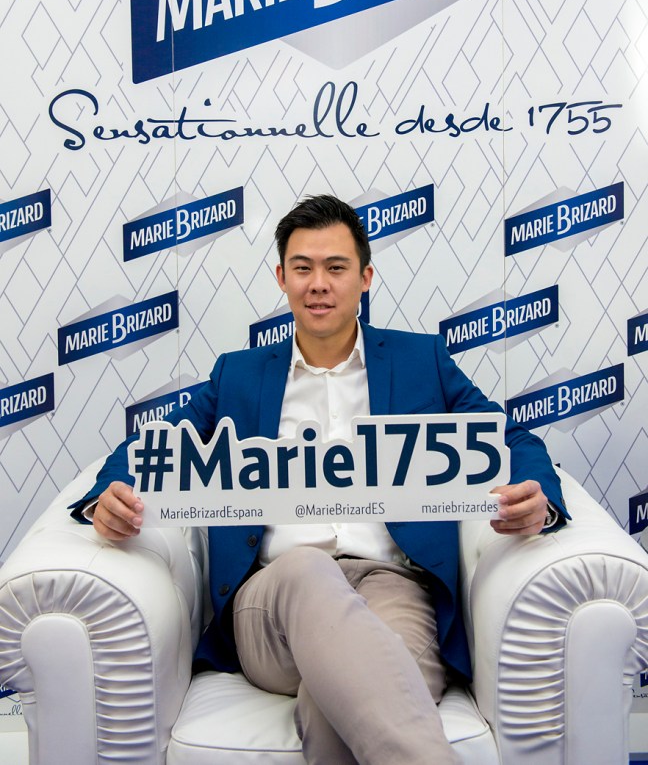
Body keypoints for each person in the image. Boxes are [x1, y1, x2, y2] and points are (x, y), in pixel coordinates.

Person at [71, 194, 568, 765]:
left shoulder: (422, 361)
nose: (319, 284)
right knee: (310, 572)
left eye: (336, 267)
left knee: (335, 698)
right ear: (282, 278)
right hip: (274, 596)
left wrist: (541, 501)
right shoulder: (238, 375)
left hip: (393, 588)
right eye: (303, 268)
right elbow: (148, 448)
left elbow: (513, 440)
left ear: (365, 277)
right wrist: (104, 498)